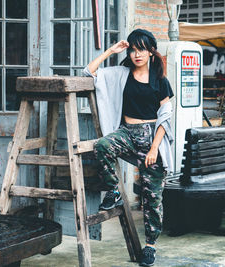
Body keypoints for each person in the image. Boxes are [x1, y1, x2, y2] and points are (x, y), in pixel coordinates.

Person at [83, 29, 174, 267]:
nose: (136, 54)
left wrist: (154, 148)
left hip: (151, 137)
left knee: (151, 196)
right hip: (126, 132)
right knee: (103, 145)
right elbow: (88, 72)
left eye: (142, 49)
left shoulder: (160, 80)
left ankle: (150, 246)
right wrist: (111, 51)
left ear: (151, 51)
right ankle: (112, 191)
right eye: (133, 49)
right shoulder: (122, 74)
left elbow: (165, 116)